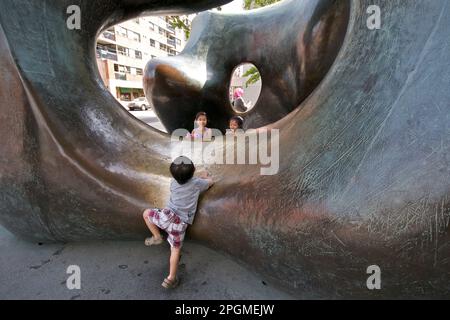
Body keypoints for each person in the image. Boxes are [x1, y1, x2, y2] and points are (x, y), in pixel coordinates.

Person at [142, 156, 214, 289]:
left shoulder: (173, 183)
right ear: (193, 172)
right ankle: (171, 278)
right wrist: (206, 176)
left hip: (165, 217)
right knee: (175, 250)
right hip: (179, 224)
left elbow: (185, 180)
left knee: (146, 214)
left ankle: (157, 236)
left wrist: (195, 177)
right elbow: (210, 182)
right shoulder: (197, 183)